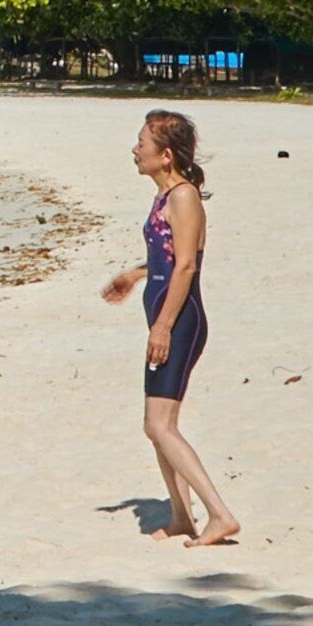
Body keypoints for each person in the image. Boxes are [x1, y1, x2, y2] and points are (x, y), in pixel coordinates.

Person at [102, 108, 239, 546]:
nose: (134, 150)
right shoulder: (164, 196)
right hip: (166, 317)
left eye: (142, 143)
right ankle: (182, 516)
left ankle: (219, 514)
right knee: (157, 424)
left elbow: (185, 267)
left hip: (180, 321)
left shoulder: (183, 197)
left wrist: (162, 326)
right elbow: (164, 258)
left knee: (160, 425)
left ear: (165, 155)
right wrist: (134, 274)